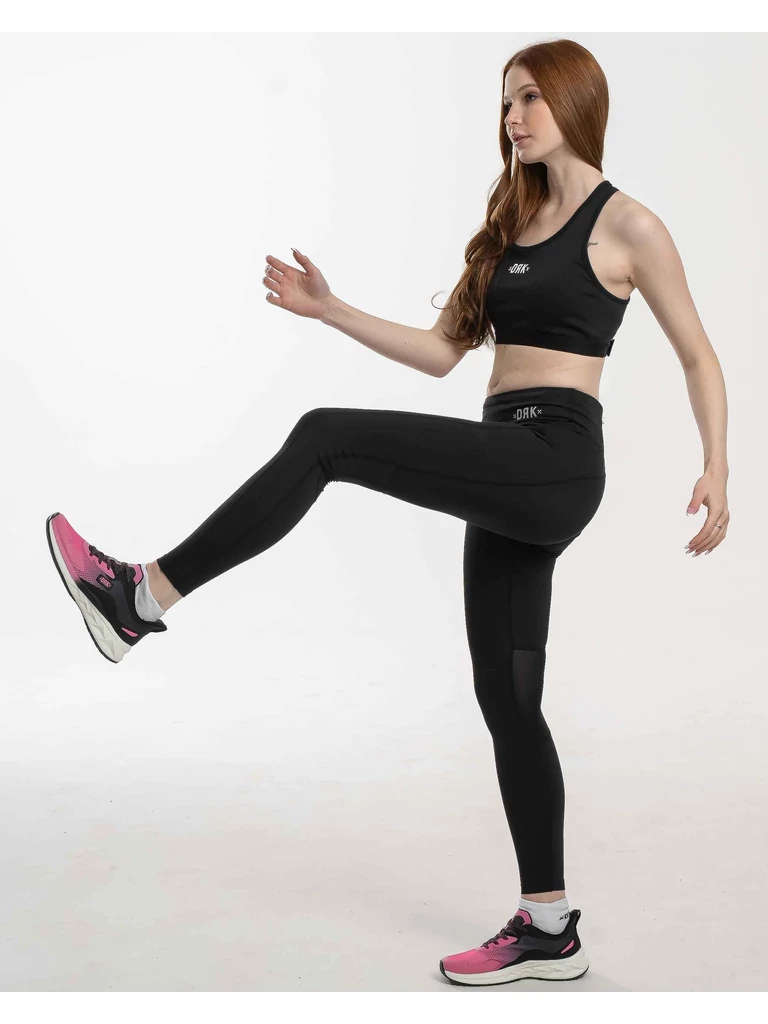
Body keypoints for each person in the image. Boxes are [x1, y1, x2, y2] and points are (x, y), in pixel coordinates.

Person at [45, 38, 730, 987]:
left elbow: (697, 353)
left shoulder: (630, 225)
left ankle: (141, 596)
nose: (513, 117)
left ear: (576, 100)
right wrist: (331, 310)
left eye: (530, 98)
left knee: (327, 437)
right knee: (508, 700)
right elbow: (445, 353)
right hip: (502, 457)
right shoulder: (511, 223)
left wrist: (717, 463)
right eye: (506, 102)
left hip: (555, 460)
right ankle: (549, 926)